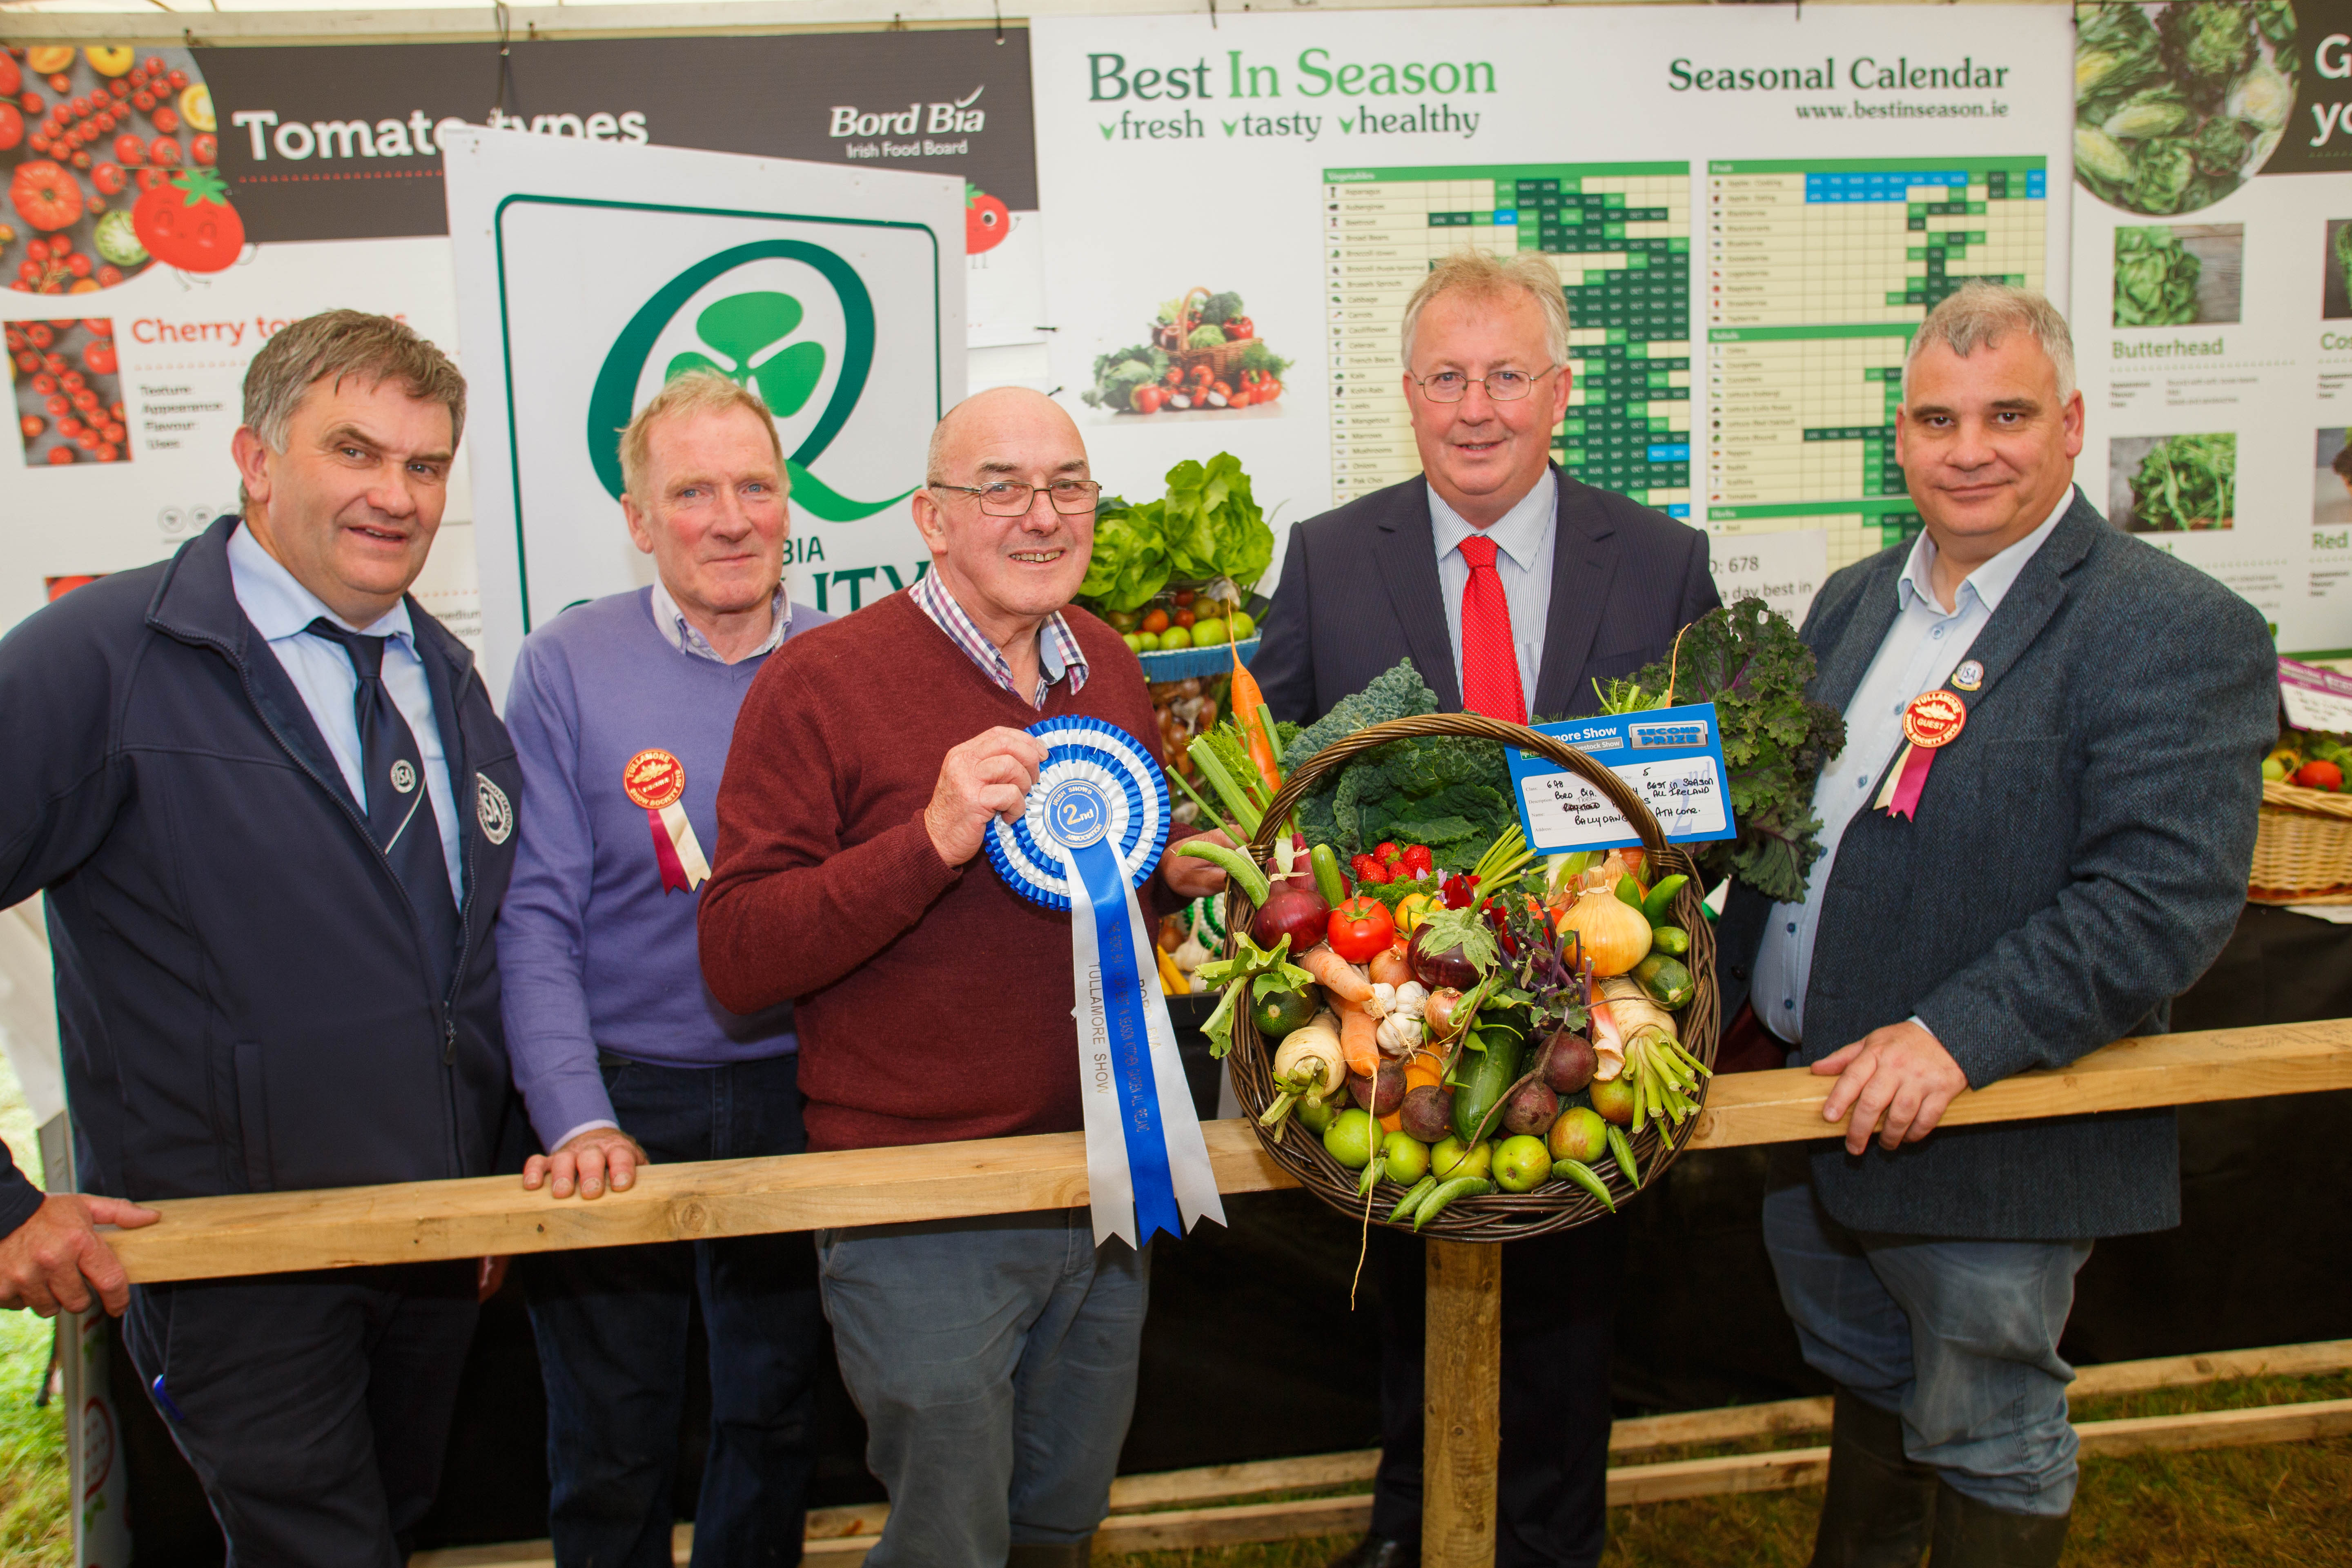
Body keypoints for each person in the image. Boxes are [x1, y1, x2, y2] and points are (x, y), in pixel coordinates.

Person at [1714, 281, 2274, 1568]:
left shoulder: (2172, 627)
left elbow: (2161, 900)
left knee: (1992, 1428)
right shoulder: (1855, 600)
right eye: (1938, 419)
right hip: (1813, 1106)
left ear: (2071, 425)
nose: (1969, 450)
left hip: (1989, 1121)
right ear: (1899, 439)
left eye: (2007, 415)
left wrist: (1955, 1037)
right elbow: (1794, 825)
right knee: (1869, 1375)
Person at [0, 310, 520, 1564]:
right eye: (355, 451)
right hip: (235, 1270)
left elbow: (476, 959)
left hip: (434, 1255)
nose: (395, 495)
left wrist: (493, 1179)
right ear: (255, 460)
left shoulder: (444, 673)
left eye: (425, 464)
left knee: (392, 1529)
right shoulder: (103, 661)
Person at [697, 386, 1224, 1568]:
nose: (1043, 515)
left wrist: (1170, 877)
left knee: (1061, 1522)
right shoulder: (820, 682)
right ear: (931, 519)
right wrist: (928, 841)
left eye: (1068, 486)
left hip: (1106, 1174)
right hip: (921, 1202)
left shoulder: (1110, 666)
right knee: (950, 1541)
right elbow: (737, 953)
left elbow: (1079, 909)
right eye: (1002, 488)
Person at [1254, 249, 1719, 1568]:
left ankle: (1554, 1542)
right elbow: (1278, 776)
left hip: (1592, 1015)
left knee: (1569, 1312)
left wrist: (1634, 916)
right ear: (1407, 394)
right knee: (1410, 1290)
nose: (1476, 409)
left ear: (1559, 392)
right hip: (1399, 1011)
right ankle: (1412, 1530)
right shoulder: (1330, 558)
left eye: (1507, 377)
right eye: (1447, 378)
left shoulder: (1663, 561)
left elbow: (1703, 812)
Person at [498, 370, 832, 1568]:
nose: (730, 519)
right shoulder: (563, 665)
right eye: (692, 493)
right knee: (611, 1435)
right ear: (638, 521)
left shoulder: (852, 661)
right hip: (619, 1099)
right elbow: (534, 919)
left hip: (804, 1090)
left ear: (789, 503)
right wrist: (576, 1114)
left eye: (755, 486)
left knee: (774, 1413)